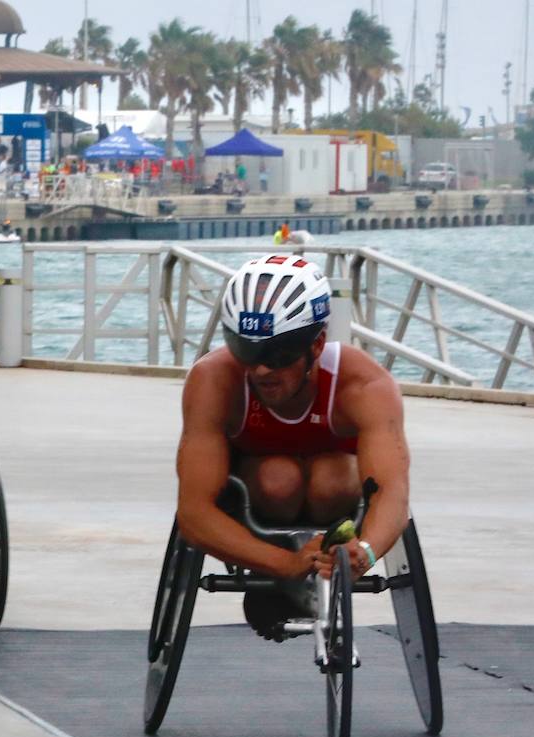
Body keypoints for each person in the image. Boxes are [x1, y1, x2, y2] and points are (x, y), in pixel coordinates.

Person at [175, 253, 410, 639]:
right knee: (278, 477)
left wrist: (365, 552)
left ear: (316, 346)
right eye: (246, 351)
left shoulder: (365, 384)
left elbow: (393, 492)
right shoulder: (214, 380)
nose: (261, 370)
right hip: (260, 495)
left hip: (335, 493)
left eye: (278, 356)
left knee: (332, 477)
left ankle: (316, 563)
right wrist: (282, 564)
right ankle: (274, 579)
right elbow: (194, 513)